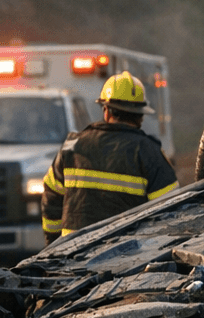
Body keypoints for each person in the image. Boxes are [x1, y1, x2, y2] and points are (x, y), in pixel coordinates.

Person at [41, 73, 179, 243]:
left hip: (71, 257)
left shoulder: (72, 145)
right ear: (140, 116)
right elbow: (171, 211)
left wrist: (53, 244)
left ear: (106, 111)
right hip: (127, 259)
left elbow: (51, 197)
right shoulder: (149, 152)